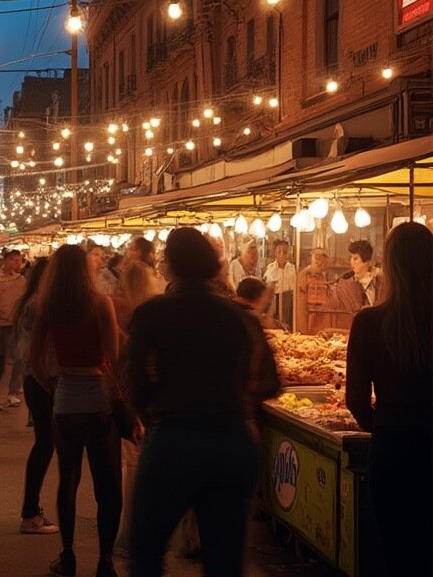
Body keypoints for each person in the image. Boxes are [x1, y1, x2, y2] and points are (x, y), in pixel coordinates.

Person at [125, 227, 279, 577]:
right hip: (232, 441)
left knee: (146, 554)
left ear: (172, 265)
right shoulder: (240, 317)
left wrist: (149, 413)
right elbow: (269, 382)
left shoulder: (152, 313)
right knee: (224, 563)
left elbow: (133, 381)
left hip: (172, 438)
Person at [30, 245, 122, 577]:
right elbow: (114, 357)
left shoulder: (48, 307)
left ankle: (67, 555)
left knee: (67, 481)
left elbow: (34, 364)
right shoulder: (100, 303)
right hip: (97, 401)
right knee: (107, 486)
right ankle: (105, 561)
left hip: (66, 401)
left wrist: (55, 386)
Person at [346, 222, 432, 576]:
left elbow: (355, 399)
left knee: (395, 551)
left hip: (393, 447)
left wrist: (381, 424)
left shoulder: (369, 322)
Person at [13, 258, 58, 536]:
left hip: (35, 379)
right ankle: (30, 512)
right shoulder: (40, 305)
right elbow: (36, 352)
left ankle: (31, 509)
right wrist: (49, 383)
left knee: (45, 443)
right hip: (41, 380)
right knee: (45, 444)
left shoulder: (30, 302)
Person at [0, 249, 27, 411]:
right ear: (6, 261)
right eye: (14, 260)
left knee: (19, 358)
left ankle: (12, 392)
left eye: (19, 260)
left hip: (17, 325)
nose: (17, 263)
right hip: (0, 326)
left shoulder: (22, 280)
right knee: (0, 363)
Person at [262, 239, 295, 330]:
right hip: (274, 299)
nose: (281, 254)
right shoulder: (270, 268)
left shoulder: (292, 269)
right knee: (274, 324)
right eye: (279, 252)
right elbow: (266, 285)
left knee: (286, 324)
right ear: (275, 253)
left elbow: (294, 288)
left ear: (288, 253)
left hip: (287, 298)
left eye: (284, 252)